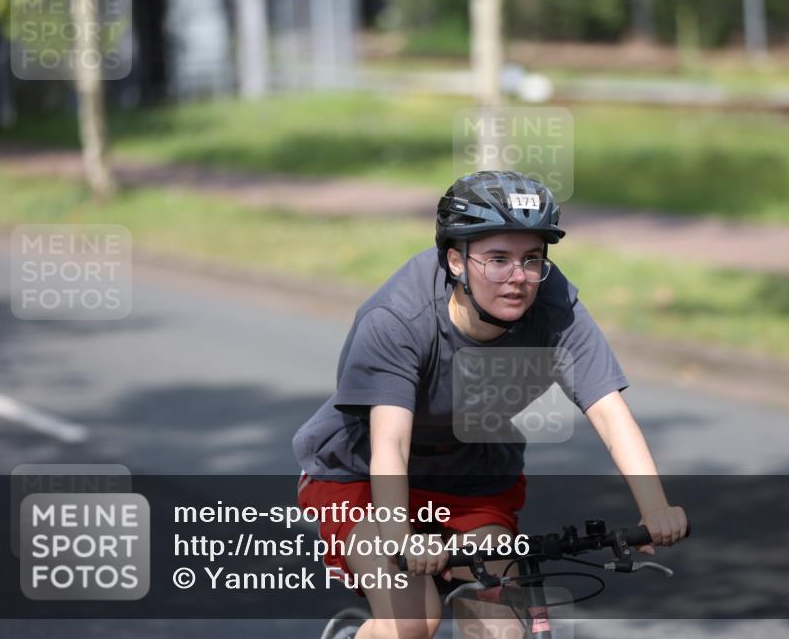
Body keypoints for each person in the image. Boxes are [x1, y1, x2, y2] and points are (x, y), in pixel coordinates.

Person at [293, 170, 689, 639]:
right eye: (497, 259)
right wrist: (401, 539)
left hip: (471, 477)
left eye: (531, 259)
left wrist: (655, 508)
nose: (518, 278)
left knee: (502, 623)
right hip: (360, 478)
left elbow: (608, 411)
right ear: (456, 261)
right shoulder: (399, 318)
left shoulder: (554, 306)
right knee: (413, 622)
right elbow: (391, 445)